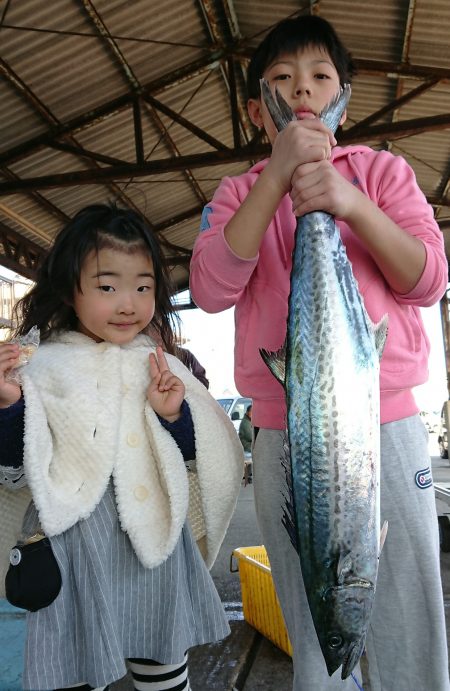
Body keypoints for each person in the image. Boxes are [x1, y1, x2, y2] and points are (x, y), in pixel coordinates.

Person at [189, 14, 449, 691]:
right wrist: (278, 177)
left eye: (318, 79)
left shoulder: (382, 174)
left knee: (408, 604)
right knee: (310, 606)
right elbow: (211, 287)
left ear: (343, 100)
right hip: (287, 431)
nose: (300, 92)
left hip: (384, 423)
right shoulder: (237, 194)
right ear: (257, 112)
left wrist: (348, 204)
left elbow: (427, 279)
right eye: (280, 82)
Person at [0, 203, 244, 691]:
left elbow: (203, 459)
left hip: (152, 548)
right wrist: (9, 408)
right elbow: (19, 473)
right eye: (107, 287)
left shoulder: (161, 367)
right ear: (71, 289)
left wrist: (171, 416)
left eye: (143, 286)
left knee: (163, 668)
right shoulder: (42, 369)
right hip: (76, 553)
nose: (128, 303)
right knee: (72, 668)